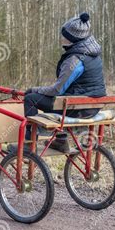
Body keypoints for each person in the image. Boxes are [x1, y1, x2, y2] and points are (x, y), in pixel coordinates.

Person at [22, 12, 106, 153]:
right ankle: (60, 141)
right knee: (59, 100)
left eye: (64, 35)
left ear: (71, 39)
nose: (61, 38)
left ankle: (30, 144)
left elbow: (57, 90)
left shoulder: (74, 59)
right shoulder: (93, 54)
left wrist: (34, 89)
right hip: (94, 106)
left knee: (31, 99)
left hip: (79, 109)